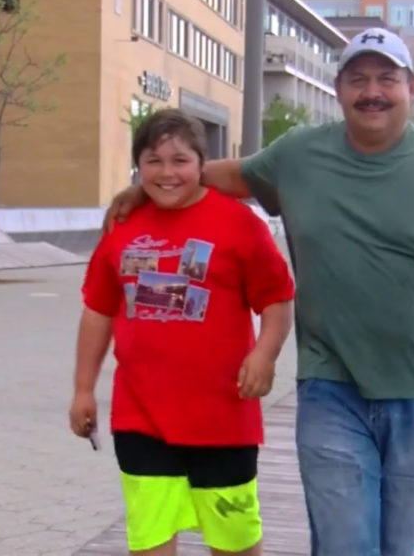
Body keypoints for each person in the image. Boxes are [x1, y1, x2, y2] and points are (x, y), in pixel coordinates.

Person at [103, 28, 414, 556]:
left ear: (411, 86)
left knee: (403, 543)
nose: (372, 91)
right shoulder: (299, 154)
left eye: (387, 78)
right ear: (338, 89)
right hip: (329, 383)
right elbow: (229, 175)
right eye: (358, 79)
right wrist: (152, 185)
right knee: (345, 541)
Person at [70, 109, 295, 556]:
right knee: (151, 540)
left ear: (201, 165)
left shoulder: (239, 224)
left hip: (224, 419)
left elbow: (277, 299)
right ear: (138, 168)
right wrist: (82, 390)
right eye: (154, 161)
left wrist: (265, 355)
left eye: (180, 161)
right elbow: (98, 310)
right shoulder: (123, 225)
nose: (167, 173)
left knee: (234, 542)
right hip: (141, 418)